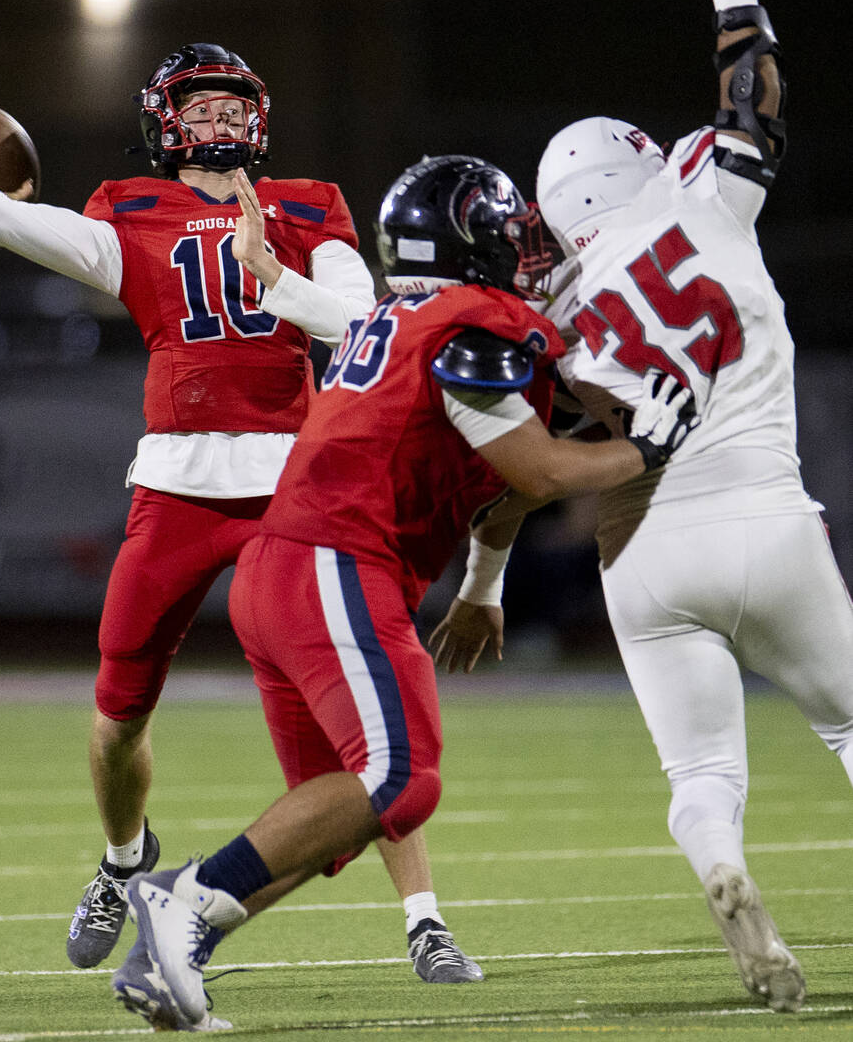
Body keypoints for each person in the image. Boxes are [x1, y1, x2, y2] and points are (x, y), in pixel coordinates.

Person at [107, 152, 701, 1031]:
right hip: (335, 564)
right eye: (507, 231)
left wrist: (481, 587)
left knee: (338, 818)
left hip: (287, 571)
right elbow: (539, 466)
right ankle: (183, 903)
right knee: (400, 781)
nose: (524, 247)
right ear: (471, 240)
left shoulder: (403, 316)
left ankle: (177, 949)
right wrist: (650, 446)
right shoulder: (469, 328)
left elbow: (503, 483)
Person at [0, 43, 482, 984]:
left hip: (297, 480)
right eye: (201, 106)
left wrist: (272, 274)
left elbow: (357, 327)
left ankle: (425, 918)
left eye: (236, 106)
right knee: (117, 709)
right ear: (163, 122)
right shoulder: (129, 207)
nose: (222, 121)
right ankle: (125, 862)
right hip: (176, 482)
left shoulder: (311, 203)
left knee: (368, 704)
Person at [436, 0, 853, 1015]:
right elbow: (752, 88)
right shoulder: (704, 197)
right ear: (639, 165)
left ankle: (722, 865)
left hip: (641, 558)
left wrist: (483, 586)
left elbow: (514, 475)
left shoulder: (553, 315)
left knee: (702, 773)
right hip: (766, 517)